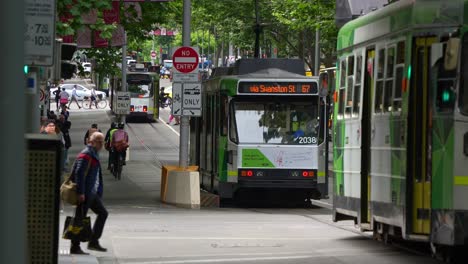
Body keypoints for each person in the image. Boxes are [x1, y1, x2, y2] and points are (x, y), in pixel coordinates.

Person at [70, 132, 108, 254]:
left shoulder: (93, 153)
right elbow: (79, 174)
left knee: (102, 213)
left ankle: (93, 241)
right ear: (92, 141)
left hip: (92, 192)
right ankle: (75, 246)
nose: (102, 144)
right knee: (79, 218)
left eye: (102, 141)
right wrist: (81, 192)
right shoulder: (86, 154)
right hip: (85, 192)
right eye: (99, 141)